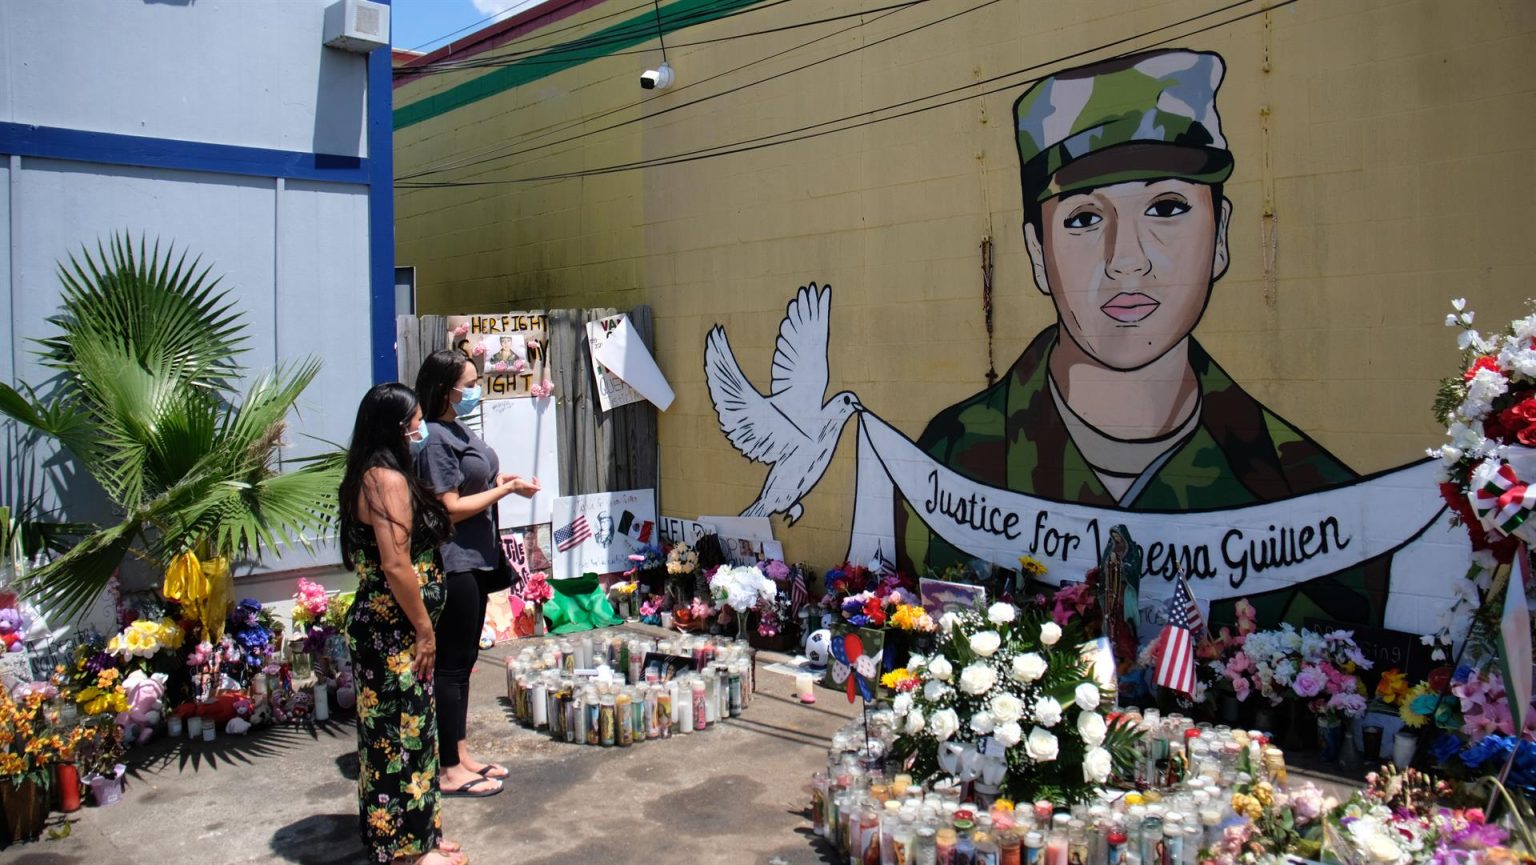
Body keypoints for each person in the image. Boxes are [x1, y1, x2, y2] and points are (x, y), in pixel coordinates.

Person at [895, 49, 1388, 628]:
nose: (1127, 260)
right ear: (1038, 254)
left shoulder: (1311, 493)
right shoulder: (950, 461)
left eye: (1167, 207)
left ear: (1220, 233)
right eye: (1084, 218)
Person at [339, 383, 465, 865]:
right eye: (414, 420)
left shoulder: (375, 474)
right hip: (394, 632)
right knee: (397, 737)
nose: (421, 427)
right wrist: (424, 629)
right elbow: (395, 565)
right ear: (395, 427)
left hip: (396, 629)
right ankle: (405, 850)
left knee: (414, 733)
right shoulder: (384, 481)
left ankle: (423, 833)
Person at [413, 349, 540, 798]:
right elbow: (450, 507)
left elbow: (476, 479)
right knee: (450, 666)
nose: (475, 390)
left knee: (464, 662)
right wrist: (502, 490)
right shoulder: (432, 441)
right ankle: (448, 769)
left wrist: (506, 480)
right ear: (445, 389)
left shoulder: (458, 429)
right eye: (469, 384)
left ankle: (461, 753)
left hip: (479, 558)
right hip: (455, 561)